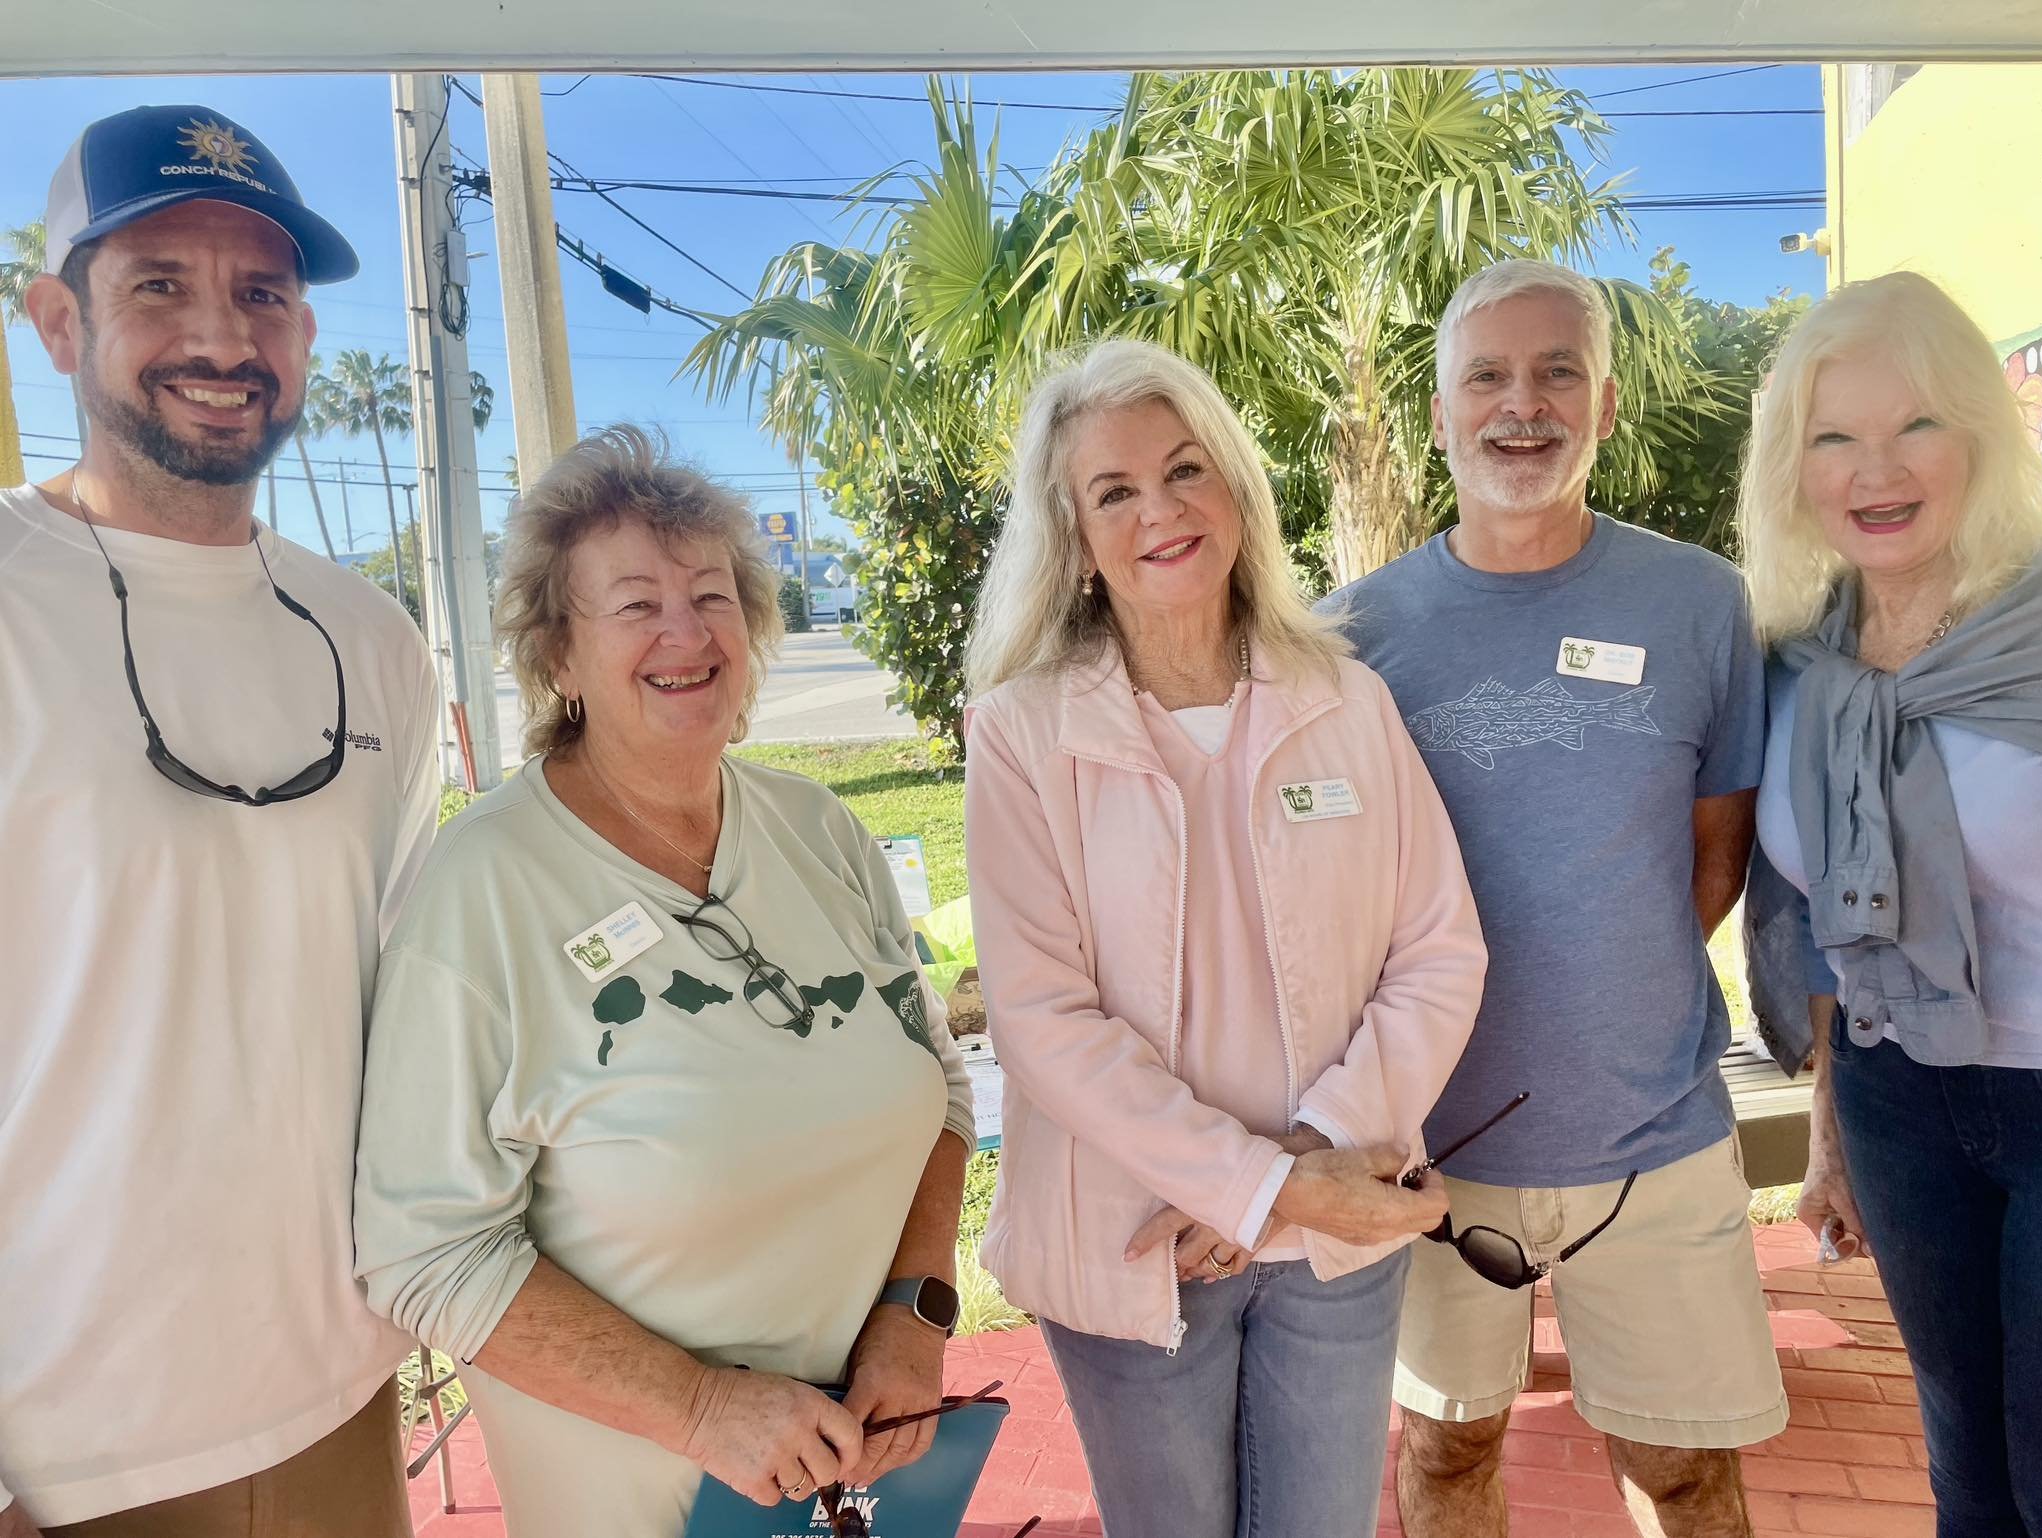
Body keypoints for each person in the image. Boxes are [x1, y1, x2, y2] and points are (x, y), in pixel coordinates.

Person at [352, 425, 978, 1536]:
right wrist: (699, 1408)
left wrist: (913, 1310)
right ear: (557, 655)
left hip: (858, 1473)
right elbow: (423, 1249)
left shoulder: (817, 828)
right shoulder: (486, 885)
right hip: (634, 1491)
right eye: (635, 604)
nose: (685, 631)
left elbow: (939, 1077)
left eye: (711, 594)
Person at [962, 338, 1486, 1538]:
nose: (1161, 510)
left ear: (1236, 488)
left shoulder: (1344, 698)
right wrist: (1256, 1186)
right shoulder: (1019, 734)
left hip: (1336, 1237)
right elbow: (1042, 1024)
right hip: (1134, 1244)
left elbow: (1437, 951)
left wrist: (1298, 1177)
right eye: (1114, 490)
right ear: (1075, 536)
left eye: (1186, 468)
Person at [0, 106, 438, 1538]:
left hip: (338, 1385)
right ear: (57, 321)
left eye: (263, 292)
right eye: (158, 286)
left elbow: (411, 1006)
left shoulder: (376, 641)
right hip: (64, 1445)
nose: (222, 336)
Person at [1320, 259, 1787, 1538]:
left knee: (1687, 1472)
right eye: (1485, 375)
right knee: (1444, 1454)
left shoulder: (1700, 605)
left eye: (1555, 371)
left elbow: (1714, 854)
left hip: (1654, 1133)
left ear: (1605, 404)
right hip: (1427, 1148)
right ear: (1436, 413)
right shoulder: (1349, 634)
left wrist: (1599, 989)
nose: (1518, 406)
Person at [1740, 271, 2042, 1538]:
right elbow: (1823, 917)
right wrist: (1825, 1120)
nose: (1876, 467)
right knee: (1964, 1463)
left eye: (1912, 422)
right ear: (1792, 468)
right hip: (1891, 1090)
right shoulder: (1798, 659)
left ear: (1975, 429)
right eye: (1833, 436)